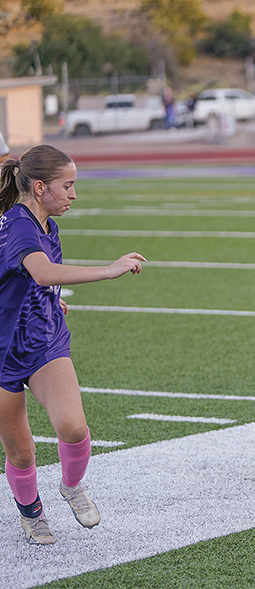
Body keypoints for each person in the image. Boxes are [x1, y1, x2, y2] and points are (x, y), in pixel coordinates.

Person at [0, 145, 145, 544]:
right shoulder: (18, 224)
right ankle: (31, 513)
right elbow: (42, 272)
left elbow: (33, 280)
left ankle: (71, 486)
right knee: (22, 453)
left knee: (73, 426)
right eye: (68, 185)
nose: (74, 194)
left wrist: (47, 300)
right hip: (3, 352)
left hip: (44, 339)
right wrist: (110, 269)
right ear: (41, 186)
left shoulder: (46, 223)